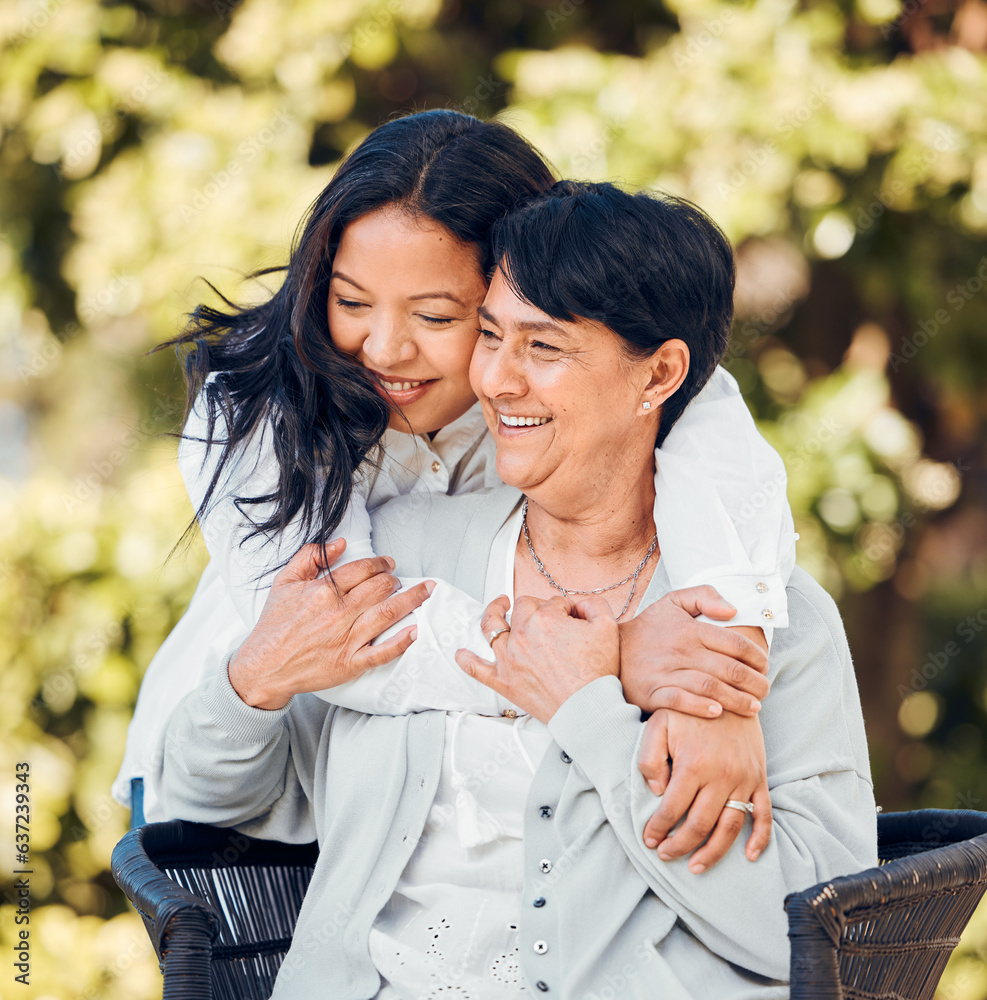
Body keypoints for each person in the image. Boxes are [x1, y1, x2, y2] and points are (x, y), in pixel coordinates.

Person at [157, 180, 877, 999]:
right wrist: (249, 684)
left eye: (543, 348)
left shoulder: (756, 624)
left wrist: (591, 713)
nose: (495, 379)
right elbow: (209, 806)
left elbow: (816, 936)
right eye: (488, 334)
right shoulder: (394, 555)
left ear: (660, 375)